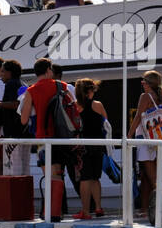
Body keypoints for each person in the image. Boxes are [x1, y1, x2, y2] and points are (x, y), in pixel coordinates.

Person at [20, 59, 70, 215]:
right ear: (49, 70)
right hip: (62, 136)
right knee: (58, 174)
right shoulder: (62, 86)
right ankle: (58, 211)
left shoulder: (31, 90)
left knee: (49, 175)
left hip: (42, 138)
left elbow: (23, 119)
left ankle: (51, 212)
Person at [128, 70, 162, 214]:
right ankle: (146, 208)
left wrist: (129, 135)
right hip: (159, 140)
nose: (142, 85)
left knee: (151, 177)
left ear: (149, 84)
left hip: (146, 139)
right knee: (149, 177)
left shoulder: (145, 96)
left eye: (143, 82)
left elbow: (137, 117)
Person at [74, 79, 109, 219]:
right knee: (95, 178)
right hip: (98, 145)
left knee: (84, 179)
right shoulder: (98, 105)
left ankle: (86, 211)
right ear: (90, 91)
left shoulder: (75, 107)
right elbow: (106, 123)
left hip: (83, 147)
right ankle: (99, 208)